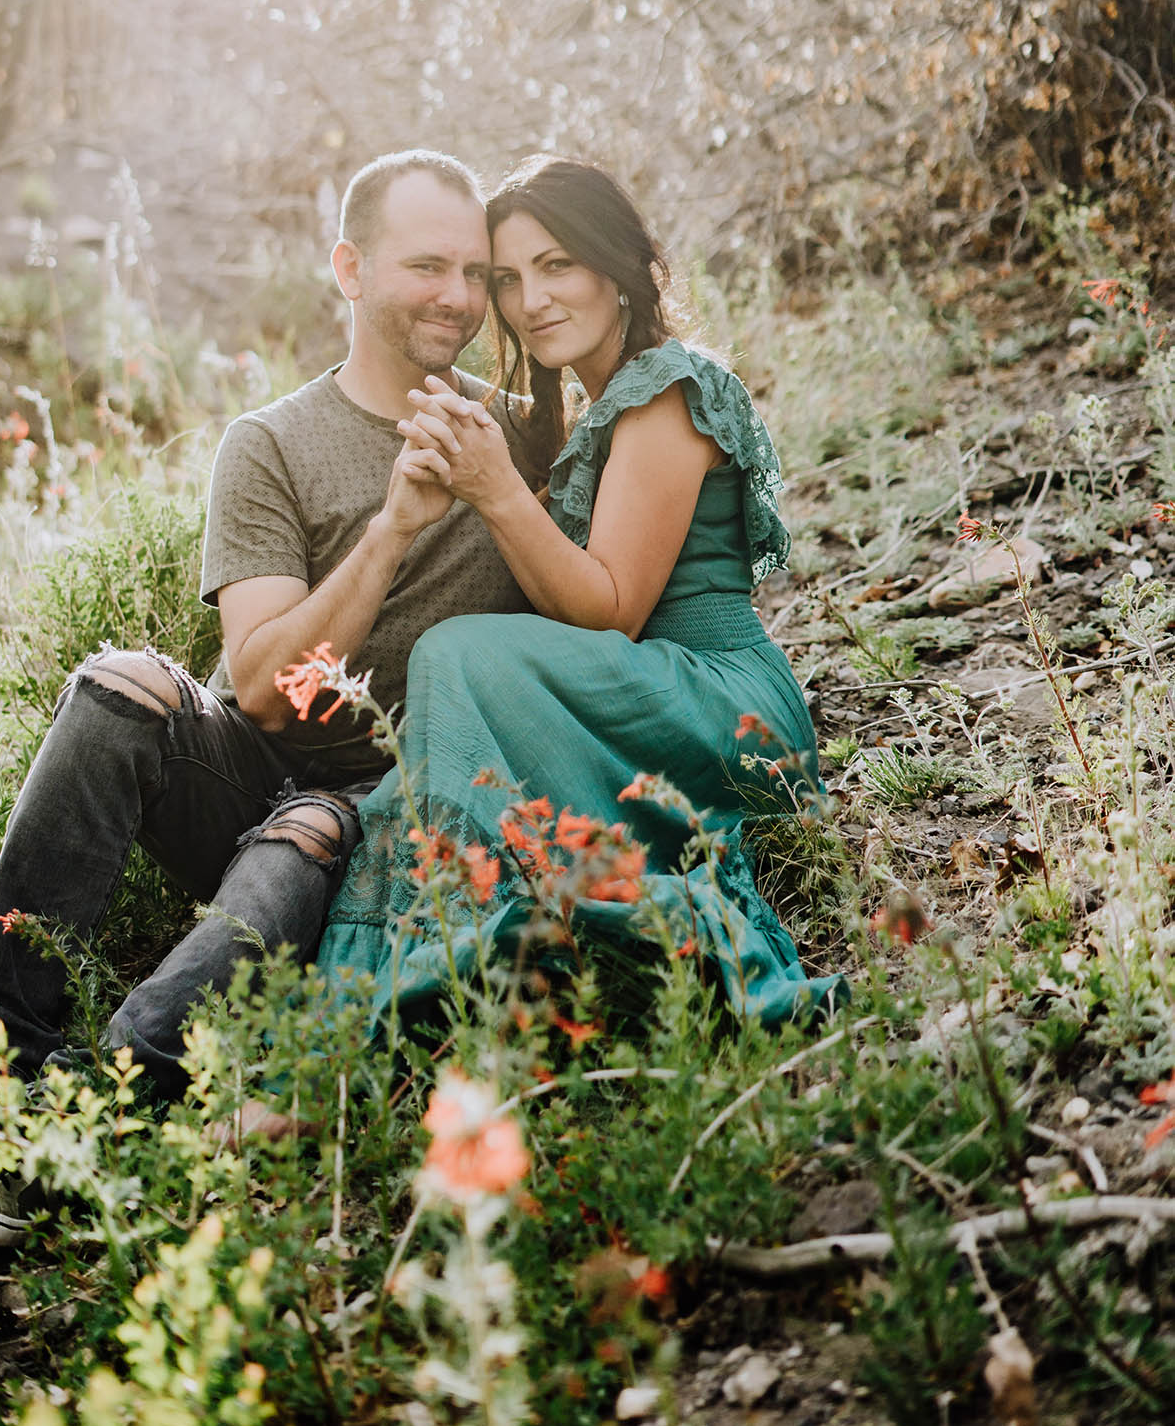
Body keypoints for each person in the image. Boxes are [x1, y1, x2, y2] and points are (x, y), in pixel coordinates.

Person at [0, 149, 530, 1241]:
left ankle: (74, 1123)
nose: (458, 297)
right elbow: (263, 689)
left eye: (475, 272)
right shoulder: (272, 444)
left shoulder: (521, 430)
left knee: (303, 830)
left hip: (382, 807)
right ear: (348, 267)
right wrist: (393, 528)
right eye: (426, 264)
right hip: (254, 757)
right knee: (117, 685)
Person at [310, 155, 842, 1035]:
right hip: (645, 687)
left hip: (723, 700)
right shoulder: (584, 408)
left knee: (455, 654)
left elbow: (610, 609)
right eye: (507, 278)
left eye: (557, 265)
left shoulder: (666, 390)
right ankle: (465, 953)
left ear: (618, 267)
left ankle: (420, 969)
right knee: (426, 744)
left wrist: (495, 489)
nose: (530, 301)